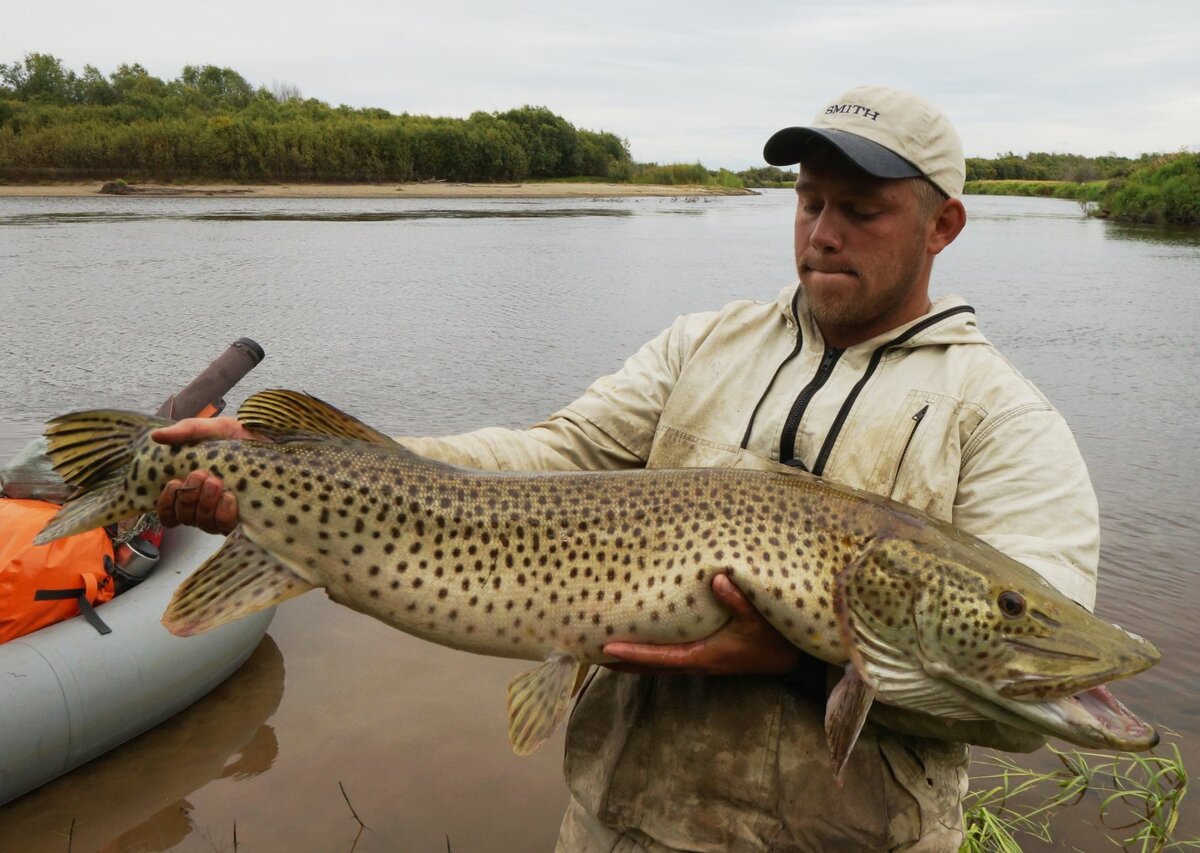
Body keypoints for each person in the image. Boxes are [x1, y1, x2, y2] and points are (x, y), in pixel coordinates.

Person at [154, 85, 1100, 852]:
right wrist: (330, 467)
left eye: (861, 210)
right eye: (810, 201)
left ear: (943, 225)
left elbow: (1027, 701)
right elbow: (552, 452)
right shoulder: (705, 345)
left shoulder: (1003, 418)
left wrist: (802, 664)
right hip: (618, 828)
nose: (822, 233)